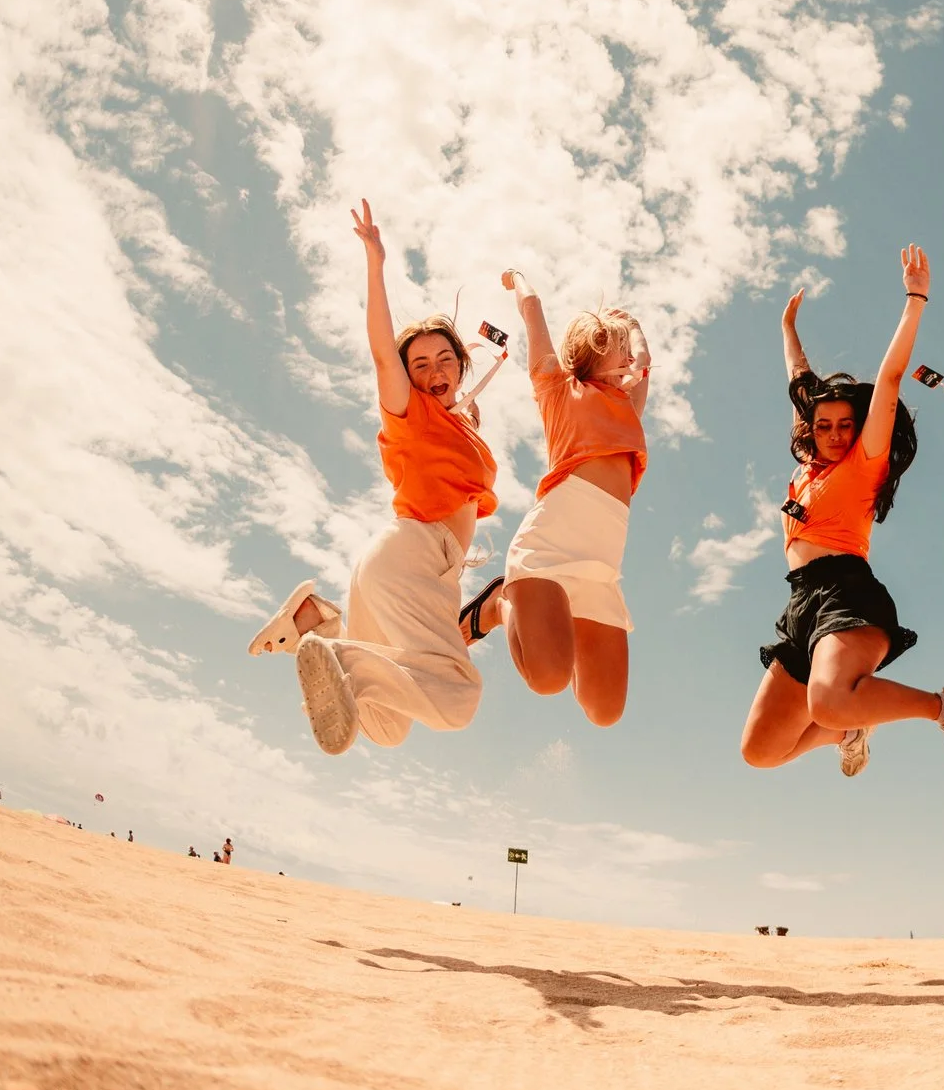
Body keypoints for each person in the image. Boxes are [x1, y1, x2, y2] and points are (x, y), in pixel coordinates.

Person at [248, 201, 501, 754]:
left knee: (387, 726)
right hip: (412, 551)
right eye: (421, 365)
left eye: (443, 360)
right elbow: (384, 356)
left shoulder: (463, 427)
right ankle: (337, 650)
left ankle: (317, 626)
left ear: (460, 363)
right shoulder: (410, 412)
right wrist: (375, 260)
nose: (432, 372)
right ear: (409, 378)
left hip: (402, 571)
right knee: (456, 699)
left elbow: (459, 423)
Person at [738, 246, 944, 778]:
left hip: (845, 592)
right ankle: (849, 731)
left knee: (827, 698)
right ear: (810, 428)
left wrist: (915, 299)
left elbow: (891, 378)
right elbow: (800, 379)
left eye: (843, 424)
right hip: (800, 603)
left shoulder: (863, 460)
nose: (833, 434)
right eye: (823, 425)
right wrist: (787, 327)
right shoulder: (807, 468)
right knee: (760, 750)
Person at [458, 272, 651, 727]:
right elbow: (534, 314)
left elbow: (644, 356)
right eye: (618, 347)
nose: (629, 359)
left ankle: (554, 620)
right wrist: (520, 284)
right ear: (593, 351)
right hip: (550, 547)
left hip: (600, 570)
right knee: (547, 679)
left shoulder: (628, 408)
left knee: (605, 711)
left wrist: (633, 325)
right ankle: (500, 602)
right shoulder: (560, 392)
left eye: (629, 351)